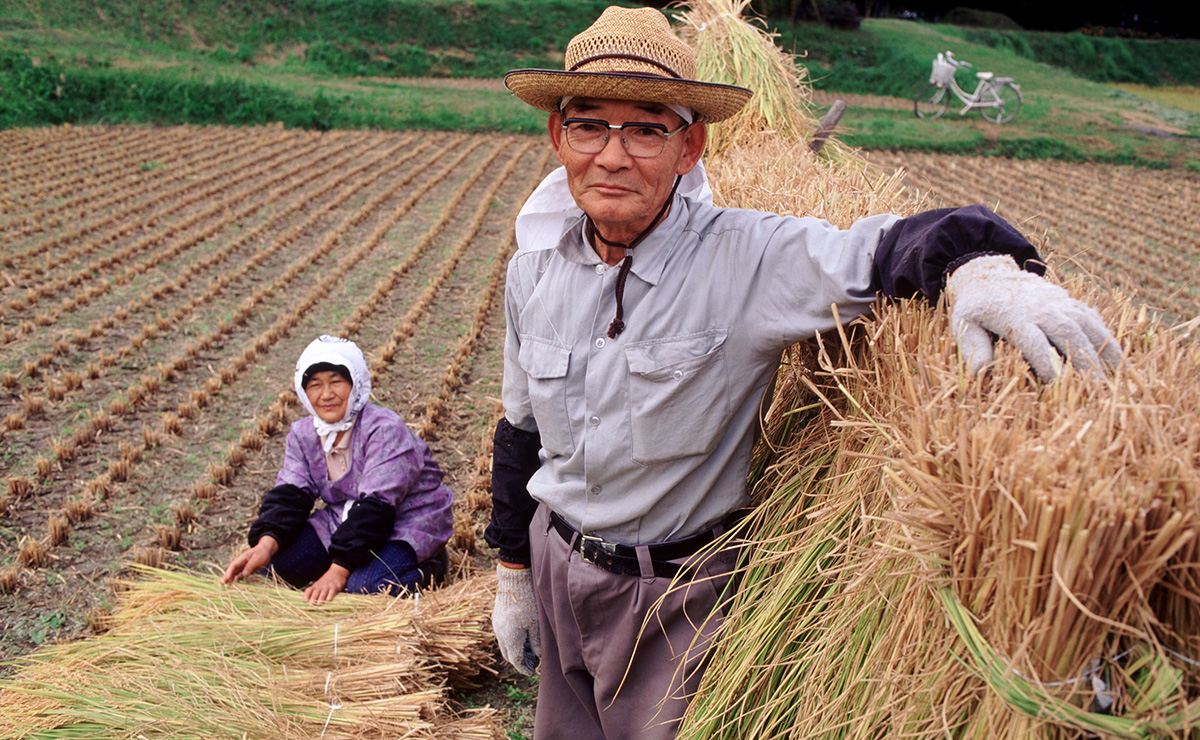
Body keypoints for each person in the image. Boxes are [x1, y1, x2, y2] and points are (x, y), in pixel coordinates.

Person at [484, 6, 1121, 740]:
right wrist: (513, 571)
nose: (613, 155)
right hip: (557, 562)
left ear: (690, 145)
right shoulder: (532, 272)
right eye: (589, 125)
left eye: (646, 128)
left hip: (669, 600)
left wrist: (982, 266)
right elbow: (520, 428)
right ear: (559, 136)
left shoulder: (747, 260)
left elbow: (889, 246)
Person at [223, 335, 454, 605]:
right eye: (315, 385)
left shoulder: (384, 429)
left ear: (355, 384)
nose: (326, 394)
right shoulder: (303, 434)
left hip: (405, 520)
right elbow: (291, 494)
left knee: (363, 589)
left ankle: (431, 566)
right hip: (345, 518)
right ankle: (351, 560)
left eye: (336, 382)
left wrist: (338, 569)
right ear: (303, 390)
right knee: (269, 573)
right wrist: (265, 545)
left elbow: (378, 507)